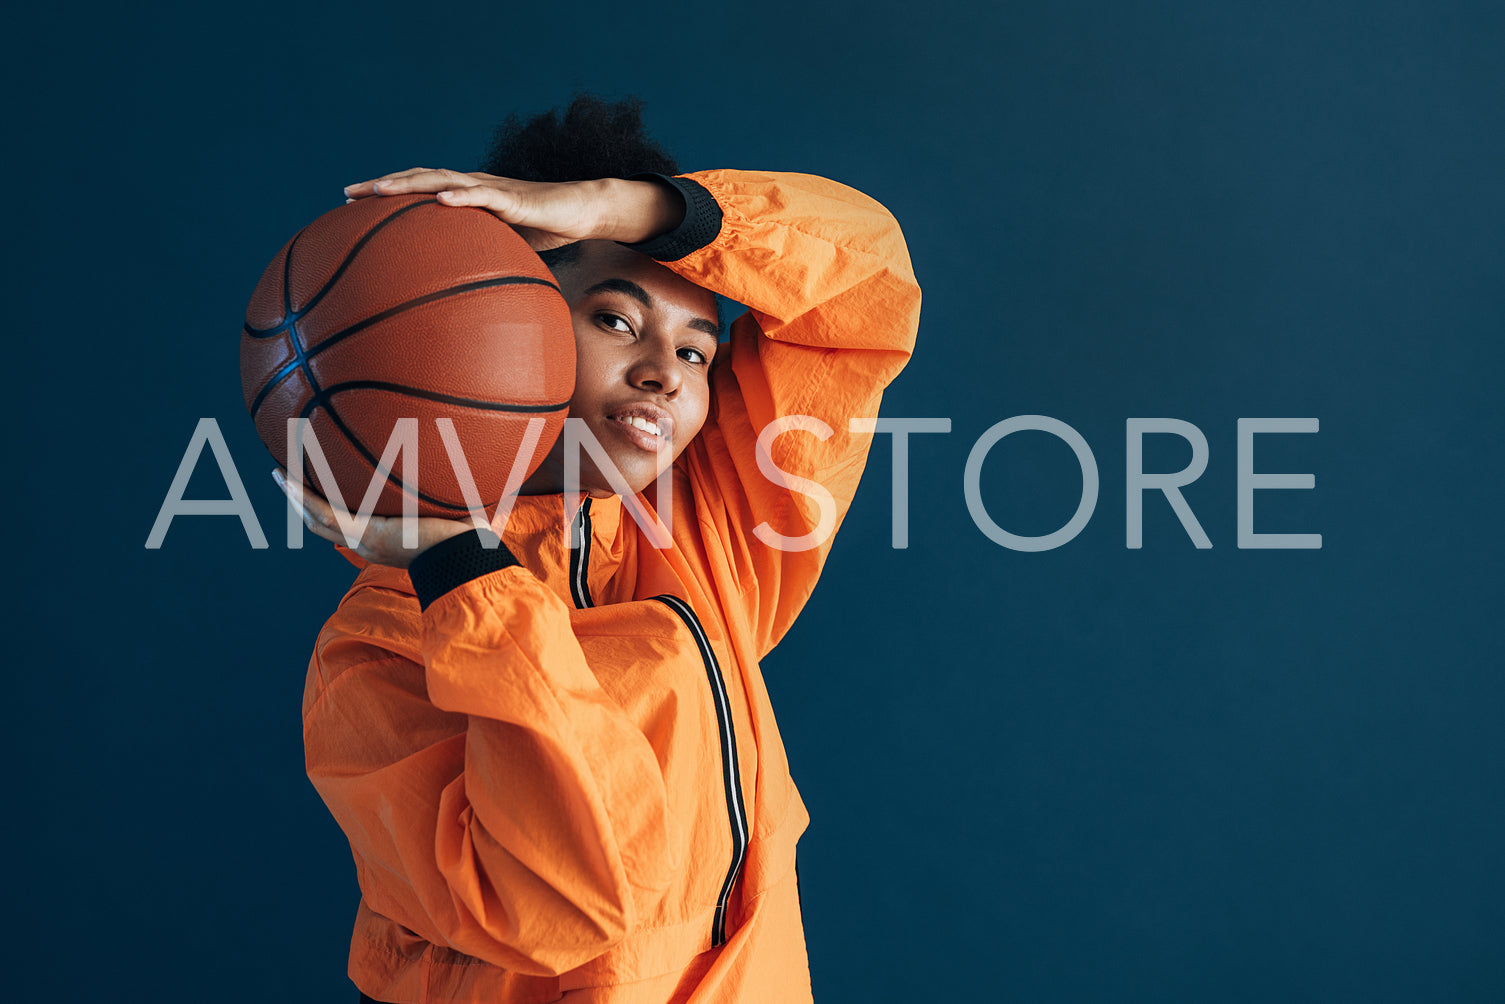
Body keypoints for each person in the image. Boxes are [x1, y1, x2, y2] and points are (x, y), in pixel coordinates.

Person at [280, 95, 922, 1003]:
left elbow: (861, 278)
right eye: (616, 322)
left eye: (698, 353)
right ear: (506, 324)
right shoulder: (378, 651)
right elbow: (560, 901)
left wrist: (620, 208)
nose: (665, 369)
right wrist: (463, 568)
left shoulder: (713, 533)